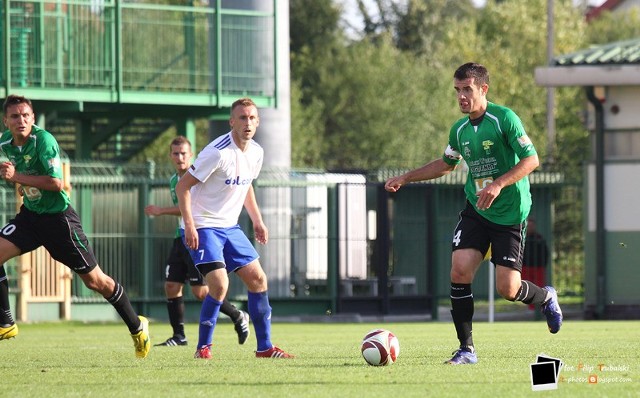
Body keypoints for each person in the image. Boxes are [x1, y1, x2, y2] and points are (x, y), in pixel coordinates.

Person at [384, 63, 562, 365]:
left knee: (508, 289)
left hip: (509, 213)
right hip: (476, 210)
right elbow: (445, 164)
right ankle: (466, 349)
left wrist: (498, 183)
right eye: (457, 90)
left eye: (467, 89)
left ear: (483, 89)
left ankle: (545, 297)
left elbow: (531, 159)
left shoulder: (504, 119)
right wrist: (406, 177)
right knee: (459, 270)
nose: (462, 96)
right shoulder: (460, 130)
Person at [0, 94, 150, 358]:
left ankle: (138, 327)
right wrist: (17, 180)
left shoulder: (44, 141)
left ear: (33, 118)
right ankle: (6, 323)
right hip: (31, 218)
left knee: (96, 281)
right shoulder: (5, 143)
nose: (21, 120)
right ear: (6, 121)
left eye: (25, 115)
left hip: (59, 221)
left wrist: (18, 178)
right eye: (15, 116)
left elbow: (56, 183)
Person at [176, 97, 293, 359]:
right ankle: (203, 348)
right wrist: (190, 226)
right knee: (219, 284)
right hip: (204, 226)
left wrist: (257, 220)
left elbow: (246, 185)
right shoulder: (217, 152)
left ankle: (264, 348)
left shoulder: (257, 153)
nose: (247, 123)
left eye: (252, 118)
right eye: (242, 118)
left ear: (258, 122)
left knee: (258, 279)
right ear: (232, 122)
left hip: (229, 227)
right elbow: (182, 186)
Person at [144, 136, 250, 347]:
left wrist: (161, 210)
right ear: (170, 156)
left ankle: (237, 315)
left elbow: (192, 209)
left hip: (198, 236)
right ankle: (179, 336)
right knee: (172, 285)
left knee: (201, 292)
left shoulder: (199, 175)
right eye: (176, 153)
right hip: (180, 237)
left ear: (191, 155)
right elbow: (184, 211)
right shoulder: (175, 180)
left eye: (184, 153)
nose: (180, 157)